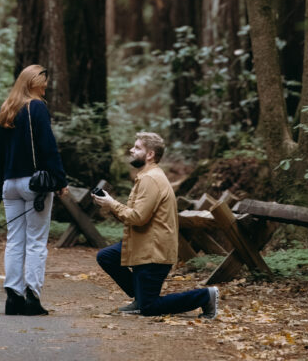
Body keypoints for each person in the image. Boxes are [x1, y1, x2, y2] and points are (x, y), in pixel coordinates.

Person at [92, 132, 218, 319]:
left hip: (153, 251)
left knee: (149, 308)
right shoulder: (146, 176)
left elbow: (137, 218)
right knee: (107, 256)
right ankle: (140, 299)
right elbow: (134, 217)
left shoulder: (150, 178)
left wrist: (112, 204)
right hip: (141, 245)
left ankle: (205, 296)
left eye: (137, 148)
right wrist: (110, 205)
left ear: (150, 154)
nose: (131, 150)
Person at [0, 64, 68, 316]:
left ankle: (12, 297)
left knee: (15, 240)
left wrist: (1, 183)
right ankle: (32, 298)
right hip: (34, 184)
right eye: (43, 80)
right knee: (36, 242)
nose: (46, 85)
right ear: (32, 82)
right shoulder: (36, 107)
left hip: (10, 183)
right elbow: (48, 146)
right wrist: (59, 180)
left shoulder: (6, 109)